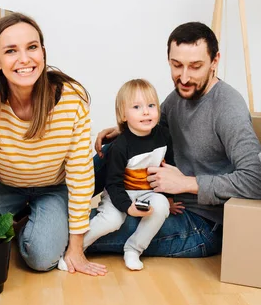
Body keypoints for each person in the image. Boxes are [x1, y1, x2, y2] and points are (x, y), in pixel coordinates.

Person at [90, 21, 261, 258]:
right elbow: (154, 128)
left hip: (203, 222)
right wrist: (123, 127)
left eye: (195, 66)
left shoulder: (228, 108)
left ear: (214, 62)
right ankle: (57, 199)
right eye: (177, 65)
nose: (184, 78)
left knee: (81, 230)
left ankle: (52, 226)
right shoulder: (179, 97)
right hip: (162, 200)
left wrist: (186, 183)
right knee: (116, 146)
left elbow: (258, 181)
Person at [0, 12, 107, 276]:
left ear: (43, 52)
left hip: (53, 187)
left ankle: (30, 220)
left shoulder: (71, 99)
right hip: (3, 184)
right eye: (11, 51)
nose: (24, 59)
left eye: (32, 47)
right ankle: (19, 220)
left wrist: (76, 247)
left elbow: (80, 173)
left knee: (41, 258)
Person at [58, 79, 180, 271]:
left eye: (151, 105)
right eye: (137, 107)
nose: (146, 111)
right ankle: (76, 249)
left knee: (161, 206)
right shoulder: (120, 146)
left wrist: (170, 198)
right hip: (121, 192)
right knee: (113, 220)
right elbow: (113, 184)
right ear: (123, 115)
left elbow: (169, 166)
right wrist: (127, 207)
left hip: (147, 192)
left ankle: (133, 248)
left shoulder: (164, 135)